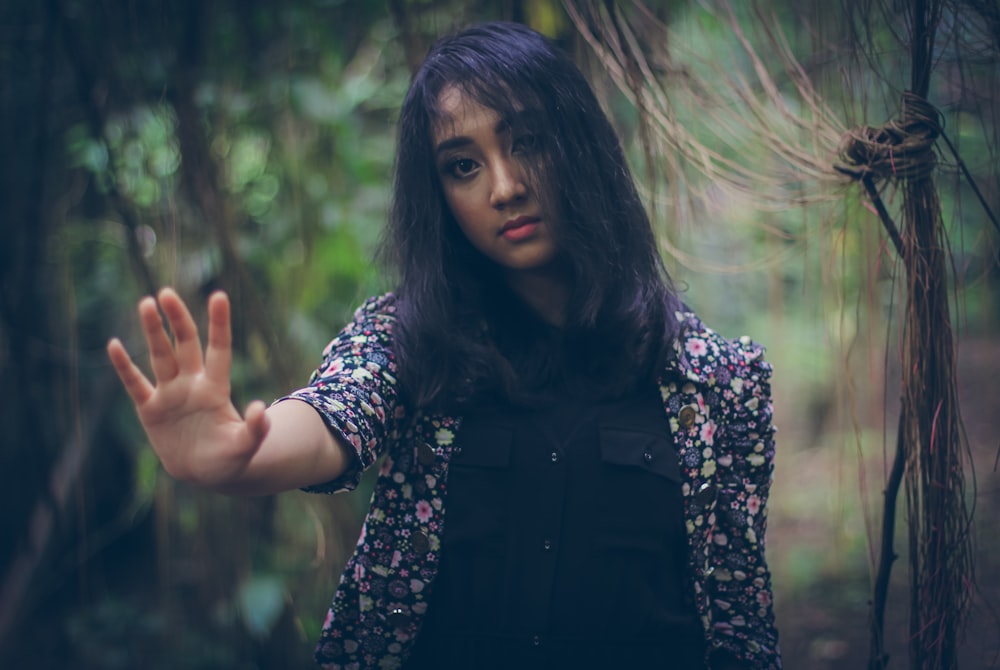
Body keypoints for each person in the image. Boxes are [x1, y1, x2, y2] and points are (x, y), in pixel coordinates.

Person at [107, 21, 780, 670]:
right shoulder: (410, 345)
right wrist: (236, 457)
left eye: (529, 142)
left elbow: (740, 626)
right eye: (463, 166)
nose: (505, 187)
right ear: (440, 195)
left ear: (582, 145)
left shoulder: (718, 384)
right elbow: (332, 415)